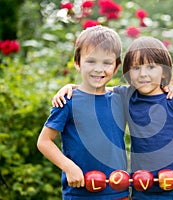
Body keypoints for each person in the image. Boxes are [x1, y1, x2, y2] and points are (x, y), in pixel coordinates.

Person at [53, 36, 173, 199]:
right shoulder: (127, 95)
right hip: (141, 189)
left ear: (164, 70)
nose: (143, 74)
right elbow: (96, 87)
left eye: (151, 67)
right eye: (136, 68)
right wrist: (70, 87)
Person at [37, 25, 129, 200]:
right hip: (79, 193)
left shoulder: (120, 98)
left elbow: (150, 89)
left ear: (116, 67)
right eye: (91, 61)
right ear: (77, 63)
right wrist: (69, 167)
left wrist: (168, 86)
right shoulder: (67, 101)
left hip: (118, 192)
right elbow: (44, 142)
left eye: (107, 63)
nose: (98, 69)